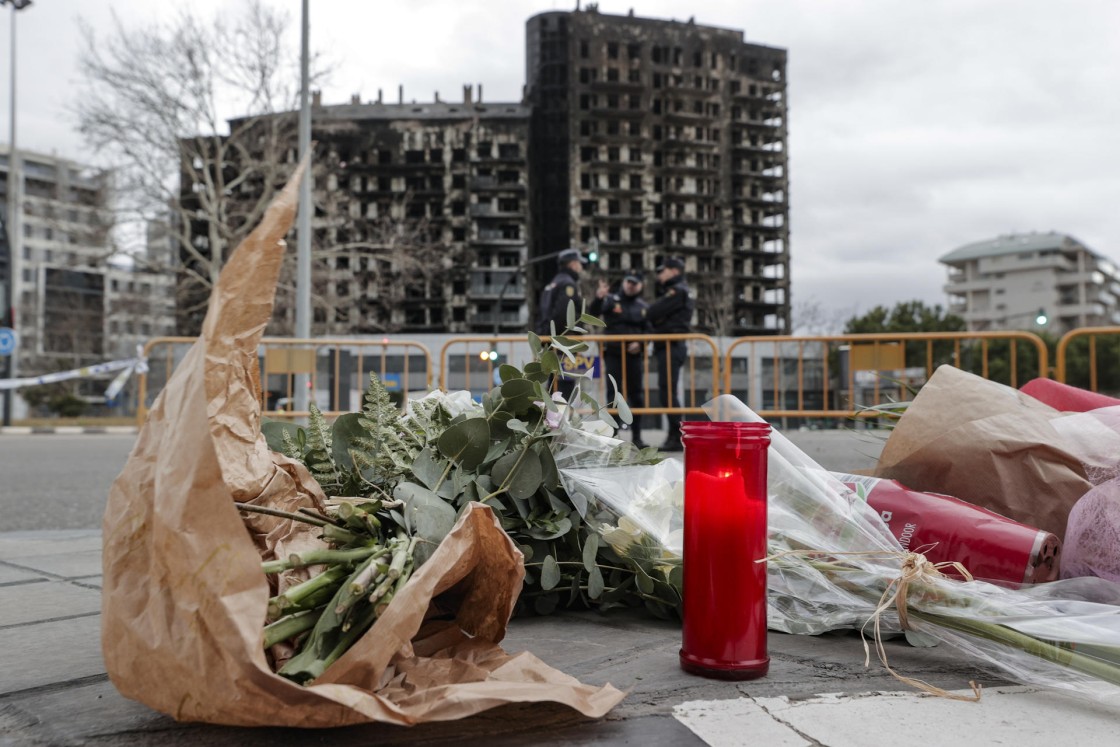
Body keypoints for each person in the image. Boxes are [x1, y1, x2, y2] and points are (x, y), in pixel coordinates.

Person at [590, 270, 651, 449]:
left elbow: (649, 329)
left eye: (635, 283)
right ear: (624, 282)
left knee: (636, 395)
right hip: (614, 354)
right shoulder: (611, 300)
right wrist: (599, 298)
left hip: (633, 356)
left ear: (640, 286)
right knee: (614, 395)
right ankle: (613, 435)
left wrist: (641, 343)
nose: (631, 285)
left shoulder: (642, 306)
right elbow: (594, 314)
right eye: (628, 281)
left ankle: (637, 436)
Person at [646, 256, 694, 452]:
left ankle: (676, 435)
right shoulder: (676, 291)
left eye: (663, 270)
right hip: (668, 345)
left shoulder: (678, 291)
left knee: (668, 392)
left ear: (674, 271)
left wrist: (657, 317)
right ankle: (675, 435)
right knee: (667, 392)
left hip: (671, 345)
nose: (660, 275)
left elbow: (652, 312)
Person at [536, 247, 588, 399]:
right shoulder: (568, 284)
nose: (581, 267)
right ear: (572, 264)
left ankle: (552, 419)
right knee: (563, 386)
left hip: (550, 341)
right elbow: (564, 315)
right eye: (579, 263)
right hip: (564, 342)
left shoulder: (553, 283)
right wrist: (565, 337)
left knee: (554, 384)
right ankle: (560, 421)